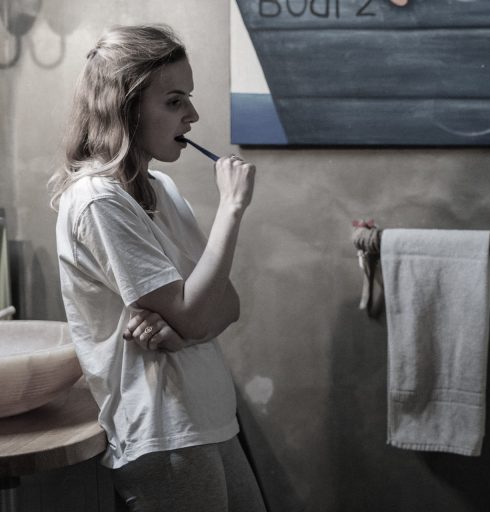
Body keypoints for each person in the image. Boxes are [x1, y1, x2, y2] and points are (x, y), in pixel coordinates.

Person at [48, 24, 265, 511]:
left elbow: (226, 304)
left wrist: (185, 330)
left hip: (205, 414)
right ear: (125, 107)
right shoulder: (97, 200)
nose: (193, 114)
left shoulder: (160, 189)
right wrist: (231, 209)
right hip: (163, 431)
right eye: (174, 101)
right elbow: (197, 310)